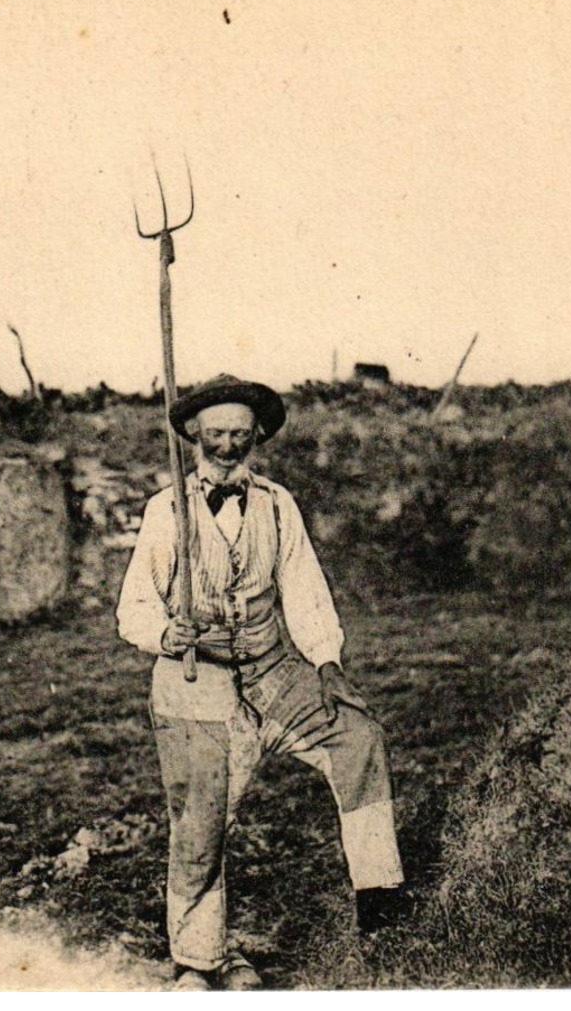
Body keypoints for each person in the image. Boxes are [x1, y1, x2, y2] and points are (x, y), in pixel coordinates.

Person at [115, 374, 406, 991]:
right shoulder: (167, 511)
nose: (227, 446)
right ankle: (201, 959)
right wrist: (168, 635)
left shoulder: (278, 503)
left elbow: (304, 590)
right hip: (198, 685)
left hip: (276, 673)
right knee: (202, 819)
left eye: (240, 436)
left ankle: (383, 910)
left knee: (359, 741)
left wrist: (326, 662)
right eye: (216, 434)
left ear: (256, 439)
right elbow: (133, 609)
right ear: (194, 435)